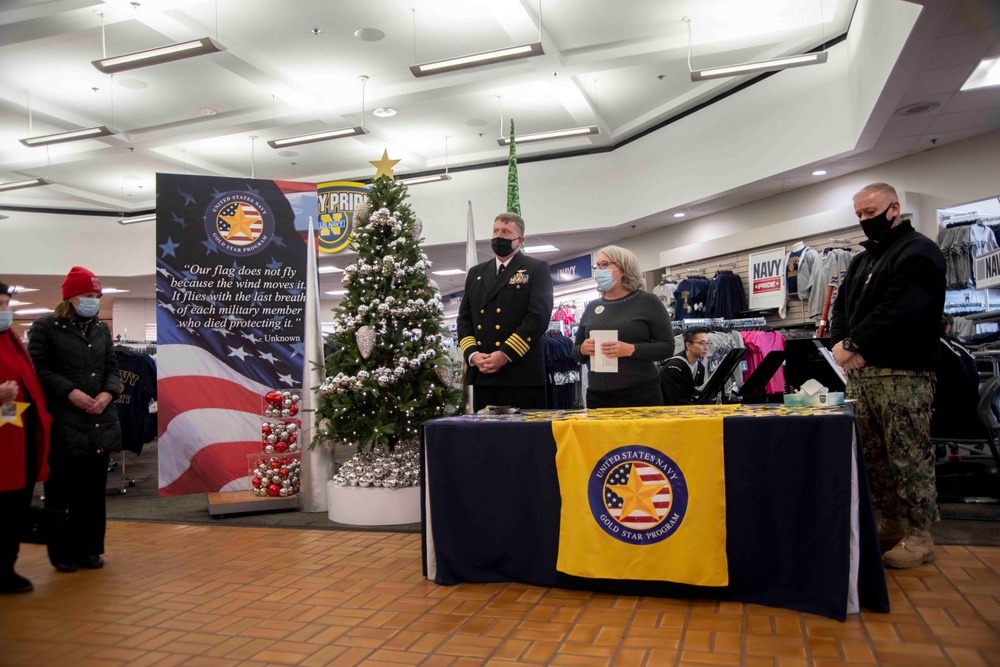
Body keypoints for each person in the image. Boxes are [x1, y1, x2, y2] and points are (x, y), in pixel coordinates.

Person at [831, 183, 946, 569]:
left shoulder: (920, 251)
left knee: (908, 455)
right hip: (863, 377)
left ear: (894, 208)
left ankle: (920, 535)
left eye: (870, 212)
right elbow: (842, 307)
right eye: (859, 215)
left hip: (904, 373)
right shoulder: (862, 260)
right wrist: (842, 344)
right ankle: (889, 522)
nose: (864, 220)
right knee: (873, 456)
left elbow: (903, 309)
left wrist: (857, 342)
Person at [28, 266, 122, 573]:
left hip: (100, 422)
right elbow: (38, 370)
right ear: (71, 298)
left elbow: (112, 367)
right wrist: (70, 392)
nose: (93, 300)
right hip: (63, 423)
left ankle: (90, 549)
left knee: (93, 493)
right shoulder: (46, 328)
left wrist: (109, 393)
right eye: (87, 295)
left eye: (96, 295)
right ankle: (63, 552)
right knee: (60, 492)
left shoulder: (100, 329)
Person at [457, 212, 553, 412]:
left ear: (520, 240)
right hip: (483, 372)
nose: (498, 236)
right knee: (487, 439)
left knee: (524, 439)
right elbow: (465, 319)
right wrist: (473, 354)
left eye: (506, 231)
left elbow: (537, 318)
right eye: (496, 231)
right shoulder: (476, 273)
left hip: (519, 371)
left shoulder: (535, 268)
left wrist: (505, 354)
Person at [572, 246, 674, 408]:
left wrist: (631, 349)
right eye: (597, 266)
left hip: (639, 392)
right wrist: (582, 349)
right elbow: (577, 352)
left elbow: (667, 347)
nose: (599, 270)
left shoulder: (648, 302)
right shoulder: (592, 307)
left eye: (604, 264)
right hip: (598, 394)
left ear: (623, 269)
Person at [0, 280, 51, 594]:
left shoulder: (12, 340)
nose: (4, 311)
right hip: (7, 442)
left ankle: (6, 566)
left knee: (13, 509)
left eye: (6, 305)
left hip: (16, 440)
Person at [660, 327, 710, 405]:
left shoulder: (700, 367)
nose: (706, 347)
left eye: (707, 343)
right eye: (702, 343)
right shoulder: (673, 368)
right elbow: (675, 401)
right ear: (688, 345)